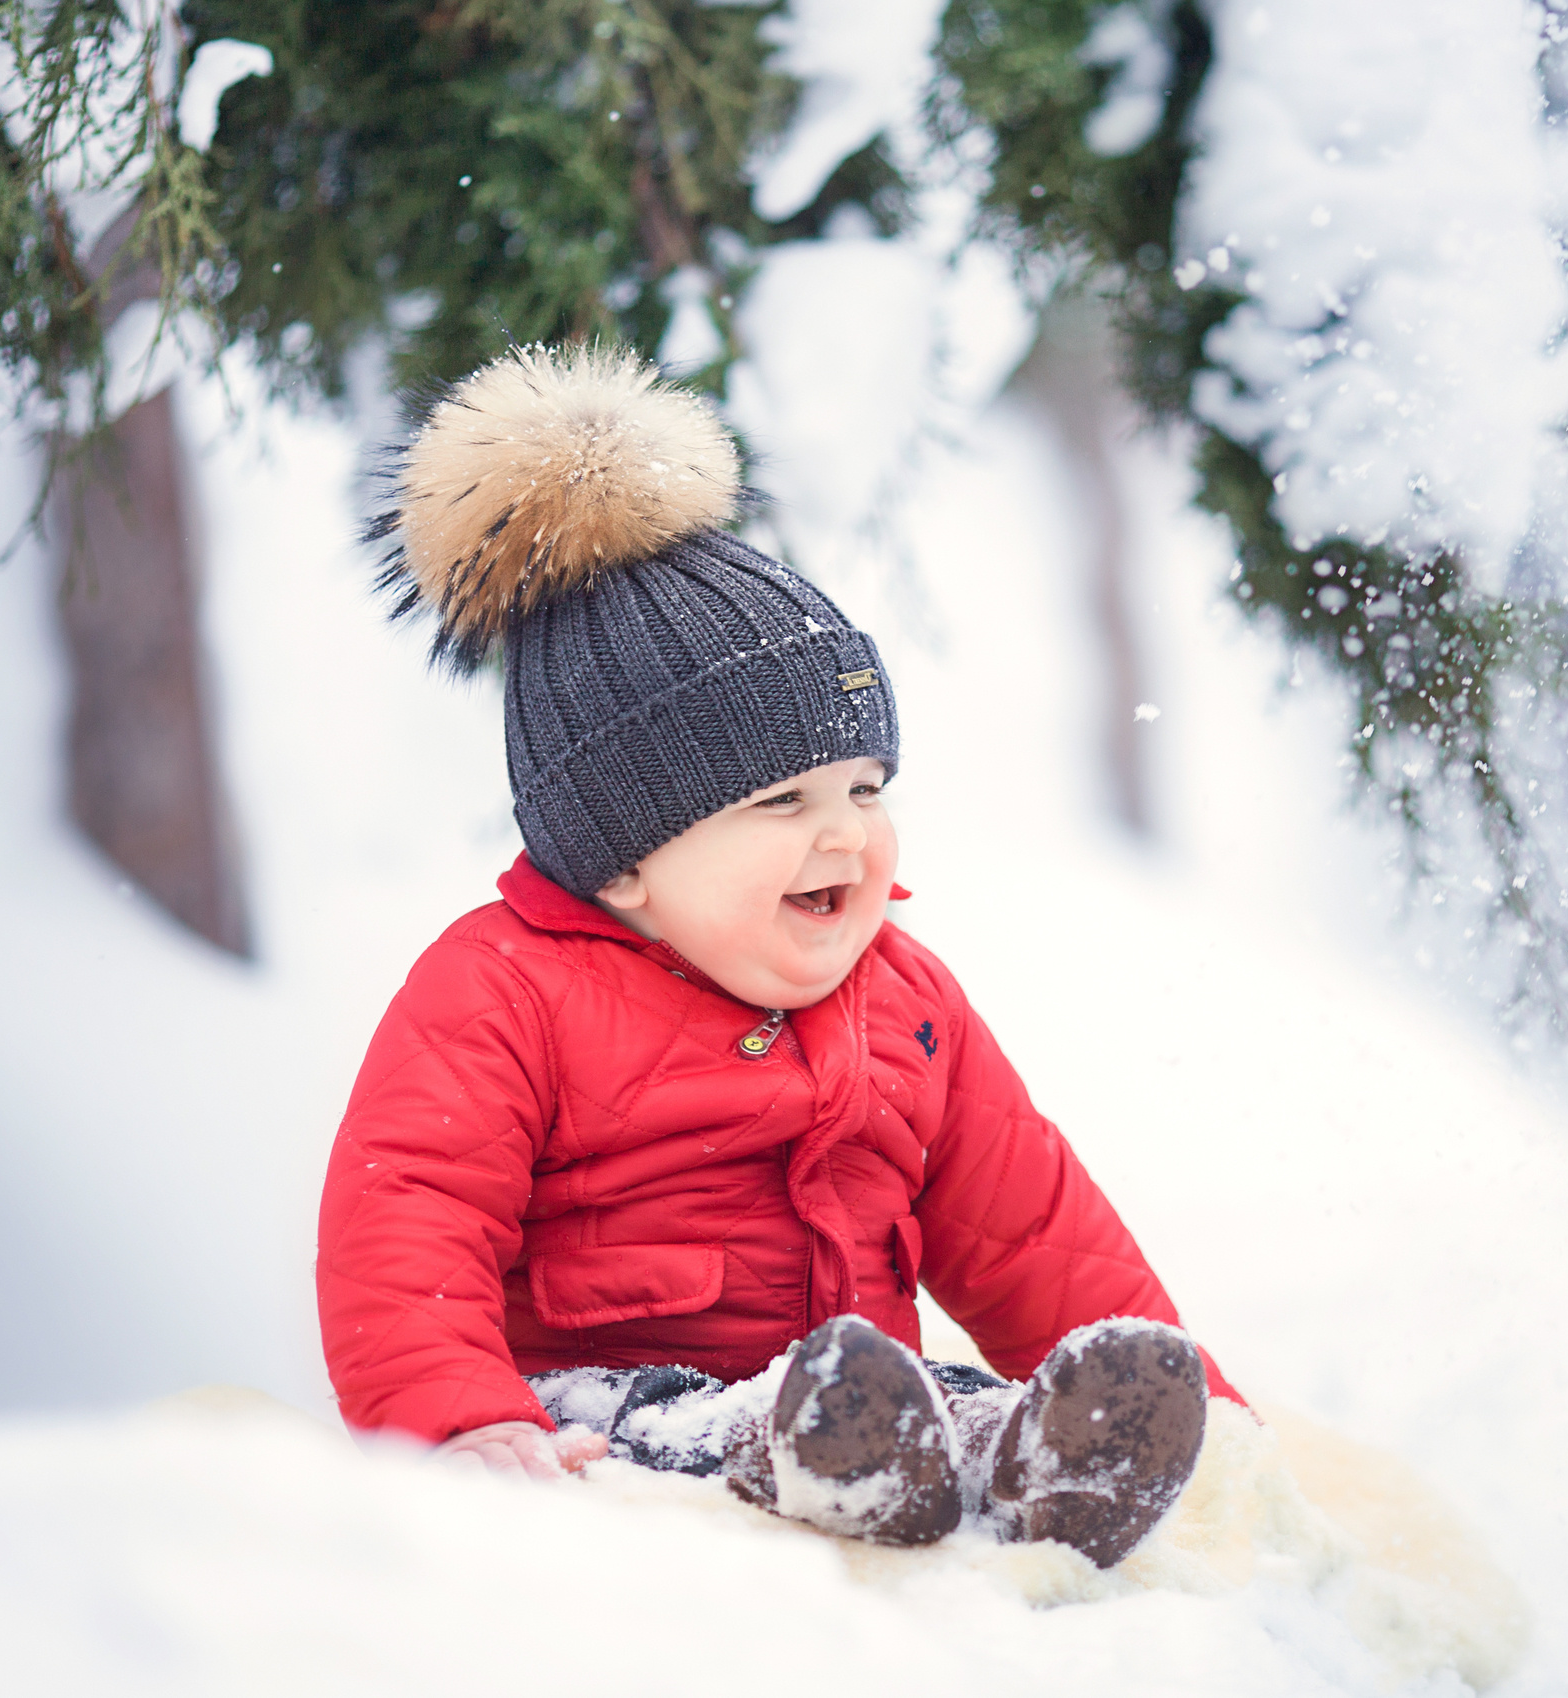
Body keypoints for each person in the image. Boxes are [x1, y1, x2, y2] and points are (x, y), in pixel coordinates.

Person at [318, 343, 1243, 1566]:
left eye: (865, 785)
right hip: (610, 1411)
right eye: (782, 802)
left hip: (875, 1394)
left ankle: (1056, 1461)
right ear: (624, 856)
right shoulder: (504, 991)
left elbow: (1033, 1232)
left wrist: (1214, 1422)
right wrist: (460, 1417)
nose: (846, 832)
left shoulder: (906, 1001)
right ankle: (857, 1455)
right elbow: (406, 1221)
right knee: (720, 1424)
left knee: (961, 1410)